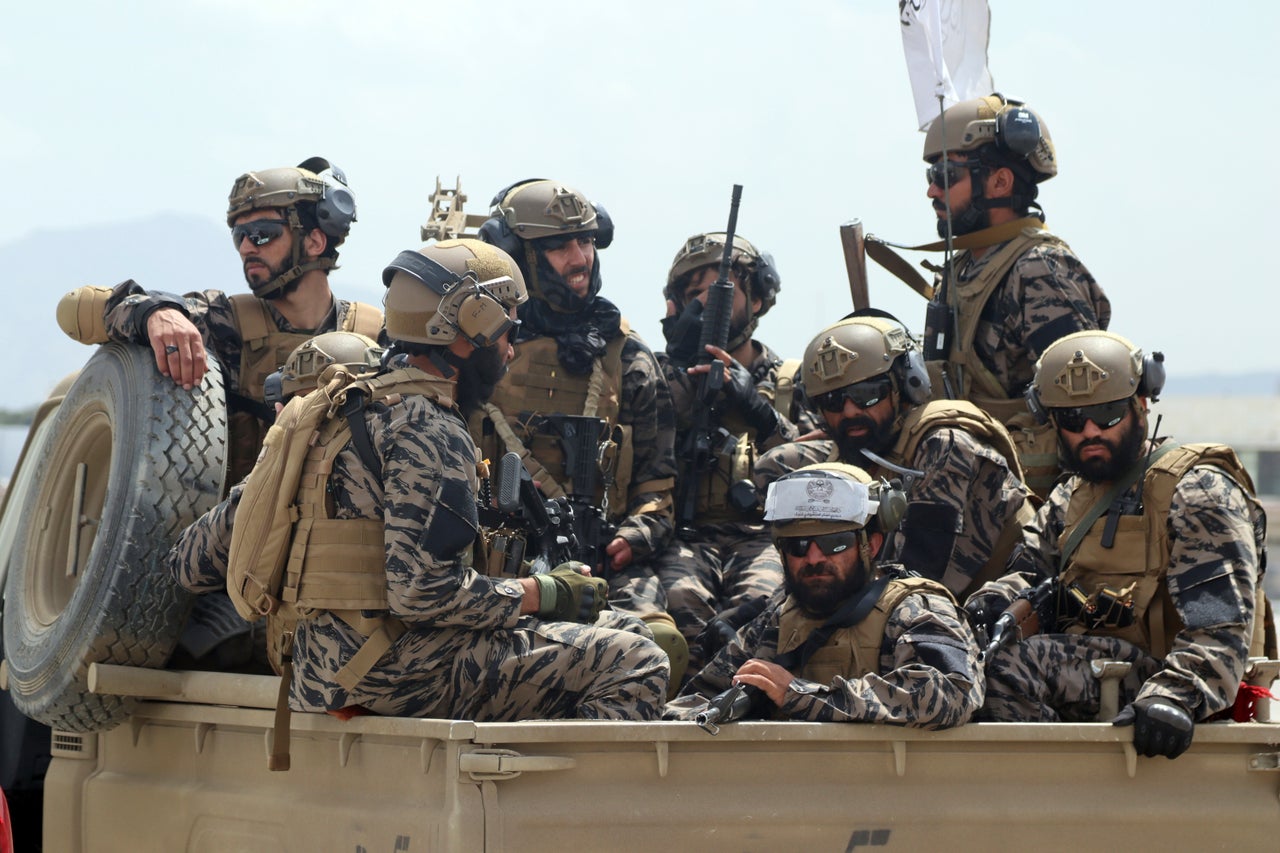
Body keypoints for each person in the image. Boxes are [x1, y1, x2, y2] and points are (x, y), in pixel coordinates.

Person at [168, 238, 669, 723]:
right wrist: (542, 593)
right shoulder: (430, 427)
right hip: (396, 673)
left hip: (315, 667)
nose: (511, 351)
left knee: (618, 624)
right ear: (471, 328)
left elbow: (189, 564)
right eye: (506, 333)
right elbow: (423, 594)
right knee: (639, 661)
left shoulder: (321, 417)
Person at [970, 331, 1272, 758]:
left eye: (1108, 414)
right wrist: (988, 608)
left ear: (1141, 406)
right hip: (1096, 666)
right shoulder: (1071, 496)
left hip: (1166, 678)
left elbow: (1219, 628)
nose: (1090, 431)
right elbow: (1028, 572)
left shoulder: (1197, 492)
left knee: (1010, 669)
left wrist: (1174, 695)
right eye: (1073, 420)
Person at [56, 157, 383, 486]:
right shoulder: (224, 323)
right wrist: (154, 312)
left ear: (314, 241)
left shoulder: (376, 338)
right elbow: (75, 311)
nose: (245, 248)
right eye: (239, 235)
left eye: (261, 234)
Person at [473, 178, 686, 676]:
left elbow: (658, 483)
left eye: (586, 241)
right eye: (558, 245)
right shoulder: (477, 354)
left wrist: (633, 535)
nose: (579, 258)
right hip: (495, 562)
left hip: (603, 562)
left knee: (660, 646)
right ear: (514, 255)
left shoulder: (626, 356)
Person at [664, 463, 982, 728]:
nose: (814, 558)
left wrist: (799, 695)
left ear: (869, 546)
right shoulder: (776, 622)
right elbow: (693, 703)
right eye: (798, 546)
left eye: (835, 543)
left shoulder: (912, 609)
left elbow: (949, 693)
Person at [754, 313, 1034, 601]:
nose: (849, 412)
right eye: (833, 401)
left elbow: (919, 577)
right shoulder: (859, 450)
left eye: (867, 395)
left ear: (906, 385)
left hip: (991, 608)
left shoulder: (947, 445)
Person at [919, 94, 1110, 497]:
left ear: (1000, 182)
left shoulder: (1037, 270)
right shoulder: (965, 268)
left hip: (1021, 499)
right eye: (931, 176)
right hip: (966, 479)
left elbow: (1090, 402)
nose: (933, 191)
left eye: (945, 175)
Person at [655, 232, 816, 679]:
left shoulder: (793, 381)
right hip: (687, 536)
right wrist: (678, 366)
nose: (706, 305)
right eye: (693, 297)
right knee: (681, 607)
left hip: (765, 536)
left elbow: (823, 468)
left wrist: (763, 415)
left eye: (720, 292)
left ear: (758, 300)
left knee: (760, 611)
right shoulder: (661, 377)